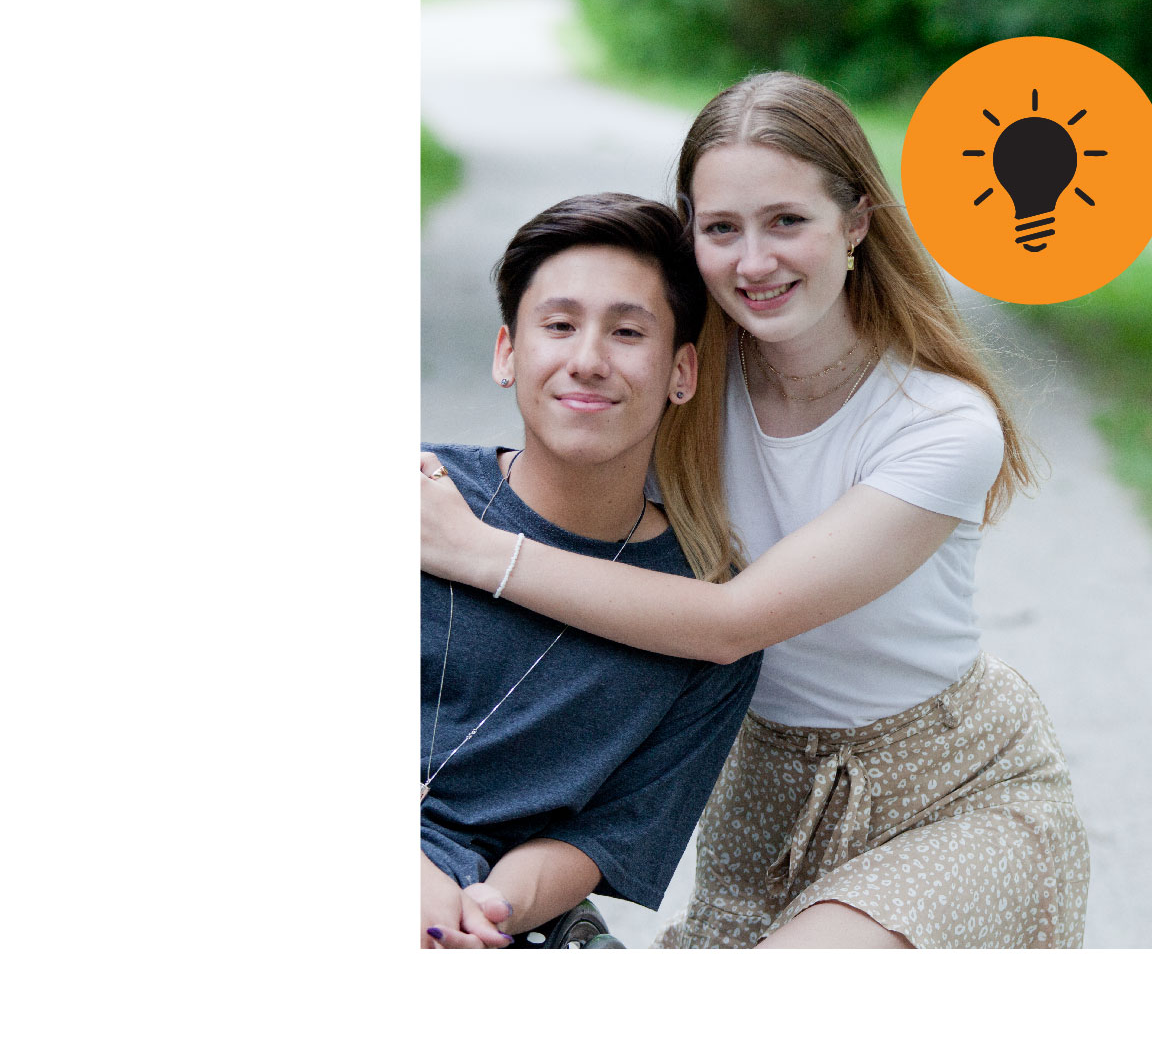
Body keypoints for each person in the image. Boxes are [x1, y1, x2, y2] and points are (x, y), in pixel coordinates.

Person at [421, 72, 1090, 949]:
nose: (754, 261)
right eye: (722, 228)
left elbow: (732, 621)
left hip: (949, 786)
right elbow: (565, 456)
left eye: (787, 221)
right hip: (761, 788)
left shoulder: (940, 425)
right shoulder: (681, 373)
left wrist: (477, 551)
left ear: (855, 221)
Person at [419, 192, 761, 949]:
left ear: (682, 371)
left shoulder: (702, 618)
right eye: (560, 324)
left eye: (628, 331)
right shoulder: (422, 495)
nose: (588, 359)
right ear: (508, 351)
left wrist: (488, 910)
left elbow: (606, 837)